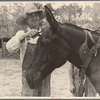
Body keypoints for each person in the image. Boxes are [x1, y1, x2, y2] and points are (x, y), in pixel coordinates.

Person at [6, 3, 50, 96]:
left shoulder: (46, 34)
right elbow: (9, 47)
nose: (35, 18)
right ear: (26, 20)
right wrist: (24, 36)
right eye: (31, 16)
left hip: (45, 76)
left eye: (36, 15)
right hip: (29, 78)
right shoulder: (21, 33)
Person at [69, 23, 98, 97]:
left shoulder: (95, 49)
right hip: (77, 80)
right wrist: (71, 84)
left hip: (90, 81)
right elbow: (70, 68)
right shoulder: (75, 48)